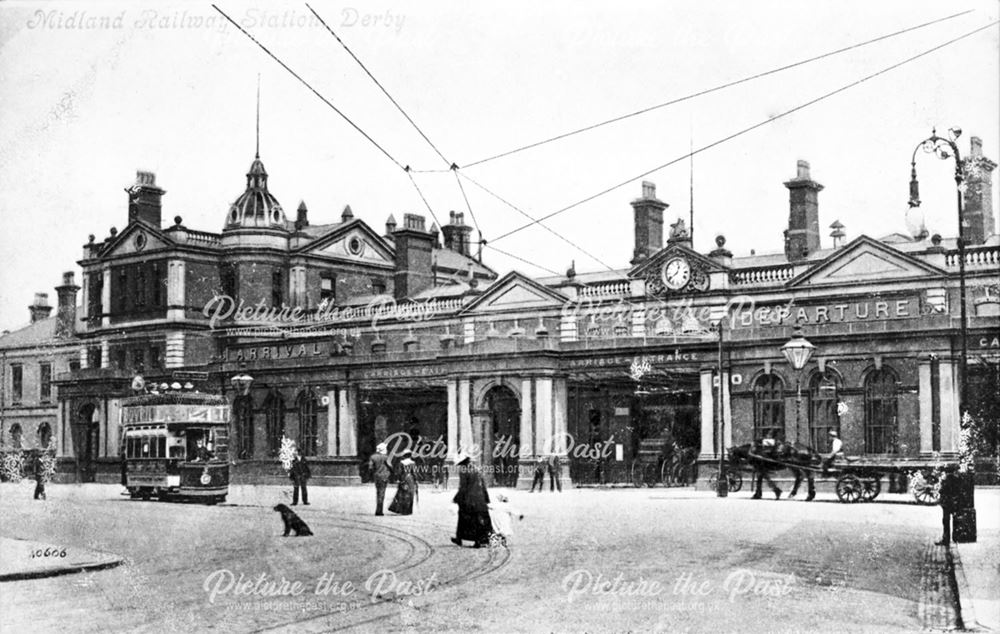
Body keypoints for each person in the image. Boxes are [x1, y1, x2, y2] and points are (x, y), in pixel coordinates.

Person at [451, 453, 492, 548]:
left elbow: (463, 487)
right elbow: (483, 485)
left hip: (469, 499)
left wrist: (456, 498)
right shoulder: (476, 469)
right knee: (480, 520)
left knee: (464, 518)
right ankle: (481, 540)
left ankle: (460, 538)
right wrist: (486, 498)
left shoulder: (463, 471)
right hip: (480, 499)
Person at [936, 467, 961, 546]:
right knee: (955, 519)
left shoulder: (945, 480)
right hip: (955, 502)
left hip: (947, 503)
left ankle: (946, 539)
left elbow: (941, 490)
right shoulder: (957, 479)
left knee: (946, 521)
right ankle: (955, 537)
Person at [389, 449, 418, 515]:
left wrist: (398, 479)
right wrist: (416, 480)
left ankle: (401, 509)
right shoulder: (413, 463)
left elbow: (399, 472)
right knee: (410, 494)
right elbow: (415, 473)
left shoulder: (401, 463)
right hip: (410, 479)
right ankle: (408, 511)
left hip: (403, 479)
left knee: (402, 494)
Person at [368, 443, 392, 516]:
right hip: (384, 476)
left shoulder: (373, 457)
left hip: (377, 476)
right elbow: (390, 466)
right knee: (382, 493)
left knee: (378, 492)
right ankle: (379, 510)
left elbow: (370, 467)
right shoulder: (386, 457)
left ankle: (378, 509)